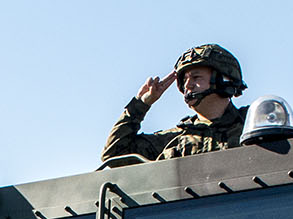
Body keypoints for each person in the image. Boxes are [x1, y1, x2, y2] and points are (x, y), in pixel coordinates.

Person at [103, 44, 248, 165]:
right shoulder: (173, 139)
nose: (188, 85)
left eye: (196, 77)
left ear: (224, 80)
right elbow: (114, 155)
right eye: (184, 80)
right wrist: (140, 105)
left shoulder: (252, 126)